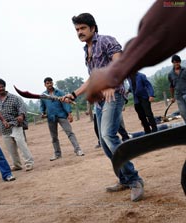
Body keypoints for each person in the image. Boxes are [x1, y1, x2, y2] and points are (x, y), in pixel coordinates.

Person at [62, 13, 144, 202]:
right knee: (104, 142)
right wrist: (74, 94)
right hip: (99, 100)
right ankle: (123, 179)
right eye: (77, 29)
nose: (79, 32)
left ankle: (135, 180)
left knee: (108, 136)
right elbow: (93, 78)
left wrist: (110, 85)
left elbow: (120, 64)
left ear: (92, 27)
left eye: (82, 28)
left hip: (113, 94)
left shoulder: (106, 41)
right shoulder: (87, 51)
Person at [85, 0, 186, 102]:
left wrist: (114, 72)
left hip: (136, 97)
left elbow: (175, 8)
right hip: (137, 100)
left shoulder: (141, 76)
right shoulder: (130, 78)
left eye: (82, 28)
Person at [0, 79, 34, 172]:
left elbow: (22, 107)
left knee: (21, 143)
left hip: (16, 124)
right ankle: (17, 165)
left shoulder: (14, 97)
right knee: (10, 147)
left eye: (2, 86)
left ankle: (29, 163)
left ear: (5, 87)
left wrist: (21, 115)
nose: (1, 88)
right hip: (4, 127)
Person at [40, 77, 84, 161]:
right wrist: (42, 113)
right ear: (45, 85)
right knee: (54, 137)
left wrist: (69, 113)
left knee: (70, 133)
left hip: (61, 116)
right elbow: (42, 107)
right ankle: (57, 154)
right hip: (51, 118)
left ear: (53, 83)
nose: (49, 84)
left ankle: (78, 150)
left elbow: (66, 103)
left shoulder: (59, 92)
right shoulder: (43, 96)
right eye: (47, 83)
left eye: (50, 82)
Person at [168, 55, 186, 123]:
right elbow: (171, 86)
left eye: (178, 62)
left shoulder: (185, 70)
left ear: (180, 62)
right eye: (175, 62)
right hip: (179, 96)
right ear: (172, 63)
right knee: (183, 113)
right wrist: (172, 97)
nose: (176, 64)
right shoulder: (170, 74)